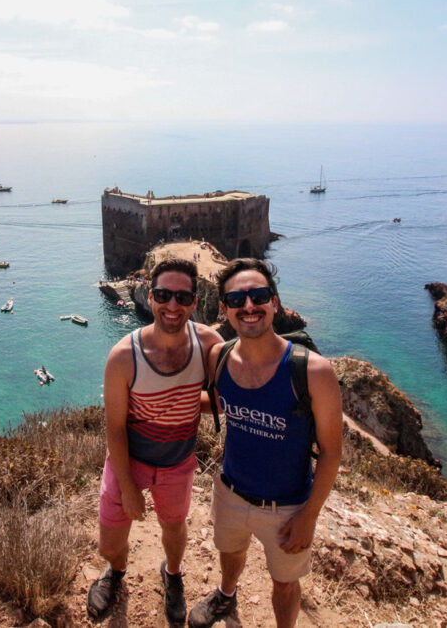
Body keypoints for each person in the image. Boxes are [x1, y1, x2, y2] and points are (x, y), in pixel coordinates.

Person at [189, 258, 343, 628]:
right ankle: (226, 595)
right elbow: (226, 404)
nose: (249, 306)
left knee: (285, 584)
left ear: (274, 303)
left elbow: (332, 453)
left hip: (288, 506)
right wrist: (164, 396)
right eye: (236, 300)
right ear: (223, 310)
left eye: (258, 296)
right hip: (230, 491)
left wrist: (309, 516)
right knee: (229, 553)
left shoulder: (314, 372)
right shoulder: (219, 357)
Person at [88, 258, 223, 623]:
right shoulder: (123, 356)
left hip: (177, 462)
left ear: (195, 301)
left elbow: (229, 395)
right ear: (150, 298)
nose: (172, 305)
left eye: (182, 296)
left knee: (174, 527)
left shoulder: (209, 343)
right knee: (109, 544)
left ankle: (173, 574)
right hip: (128, 459)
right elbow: (114, 427)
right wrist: (129, 487)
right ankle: (115, 572)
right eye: (163, 294)